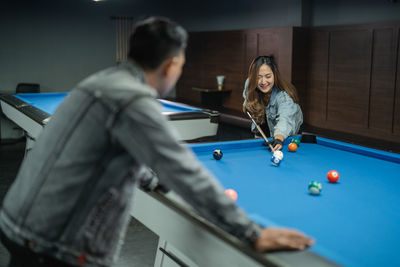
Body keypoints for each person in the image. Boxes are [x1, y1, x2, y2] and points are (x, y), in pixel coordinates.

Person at [0, 17, 313, 267]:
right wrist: (251, 233)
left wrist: (152, 178)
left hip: (18, 221)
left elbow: (111, 151)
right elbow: (182, 171)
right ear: (170, 65)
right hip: (51, 243)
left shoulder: (99, 81)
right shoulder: (135, 100)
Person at [243, 55, 303, 151]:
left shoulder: (284, 97)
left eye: (268, 76)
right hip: (262, 136)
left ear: (275, 75)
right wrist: (247, 104)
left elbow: (285, 119)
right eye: (258, 77)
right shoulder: (250, 83)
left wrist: (278, 138)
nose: (263, 82)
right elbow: (247, 96)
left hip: (286, 140)